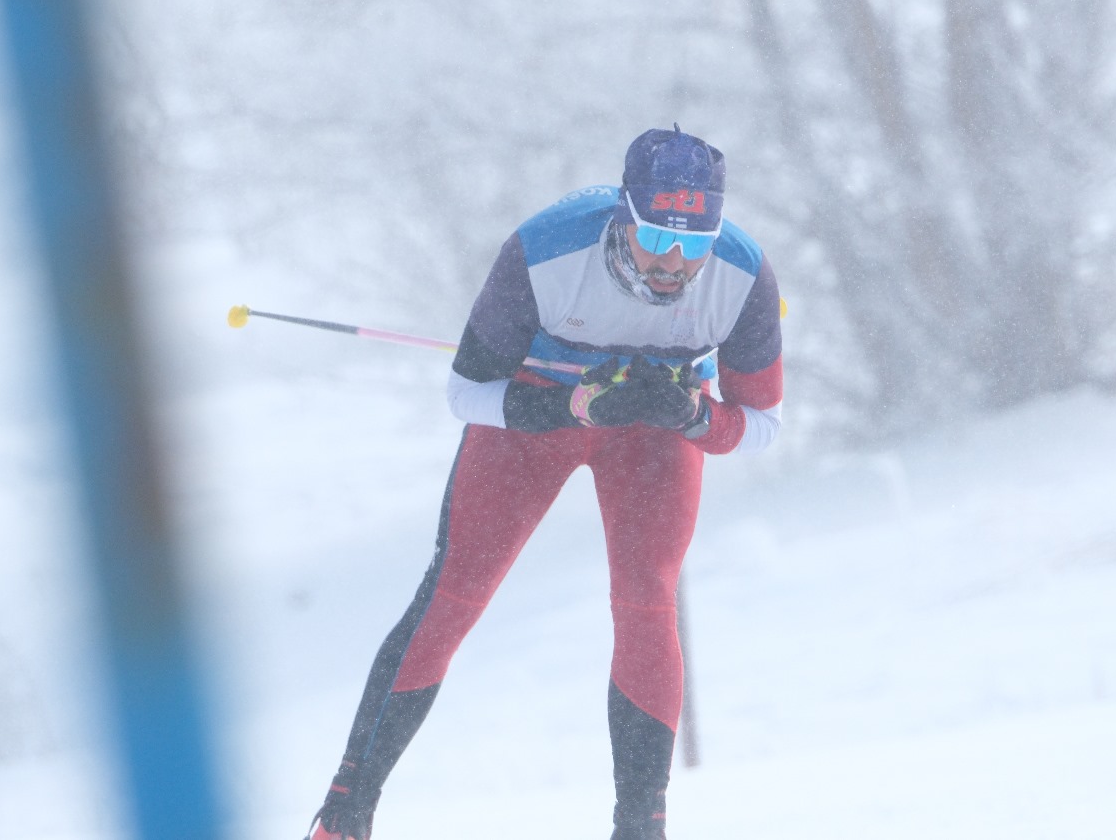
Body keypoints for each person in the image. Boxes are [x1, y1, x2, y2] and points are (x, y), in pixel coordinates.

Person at [302, 125, 784, 840]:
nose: (674, 263)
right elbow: (466, 394)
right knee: (455, 593)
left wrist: (690, 417)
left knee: (646, 596)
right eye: (657, 237)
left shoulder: (742, 276)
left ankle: (640, 826)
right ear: (625, 216)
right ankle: (347, 809)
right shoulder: (545, 251)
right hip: (536, 413)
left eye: (694, 244)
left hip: (654, 431)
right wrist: (569, 406)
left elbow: (764, 425)